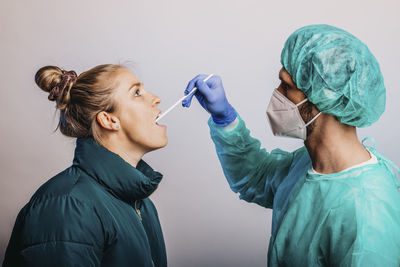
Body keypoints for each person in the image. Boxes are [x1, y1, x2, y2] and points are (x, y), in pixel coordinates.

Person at [183, 24, 400, 266]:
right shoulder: (309, 164)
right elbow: (257, 178)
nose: (277, 94)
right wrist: (225, 118)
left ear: (325, 96)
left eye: (287, 86)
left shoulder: (367, 212)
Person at [3, 64, 168, 266]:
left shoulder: (141, 204)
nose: (156, 98)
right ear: (108, 119)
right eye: (136, 92)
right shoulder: (68, 206)